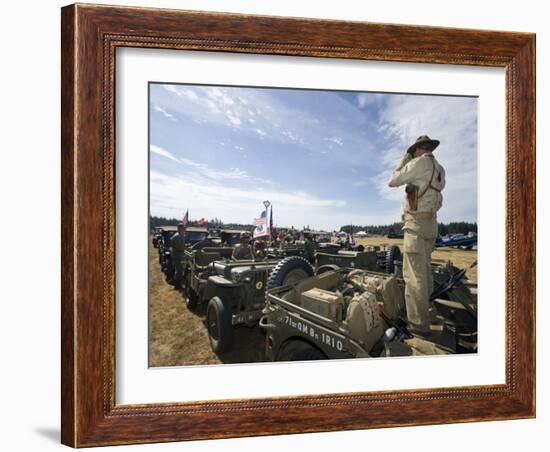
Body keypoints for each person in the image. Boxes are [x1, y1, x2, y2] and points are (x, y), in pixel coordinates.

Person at [388, 135, 446, 337]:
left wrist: (405, 160)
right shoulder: (440, 169)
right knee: (426, 271)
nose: (413, 155)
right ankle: (428, 312)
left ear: (419, 149)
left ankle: (419, 325)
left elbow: (393, 181)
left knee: (414, 277)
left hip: (417, 224)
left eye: (414, 152)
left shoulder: (419, 163)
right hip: (431, 224)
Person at [170, 223, 188, 289]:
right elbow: (179, 247)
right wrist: (187, 248)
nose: (184, 229)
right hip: (177, 255)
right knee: (179, 271)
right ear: (180, 228)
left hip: (178, 255)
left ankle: (176, 283)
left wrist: (185, 247)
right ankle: (176, 285)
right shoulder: (177, 236)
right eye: (183, 228)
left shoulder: (180, 235)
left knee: (179, 270)